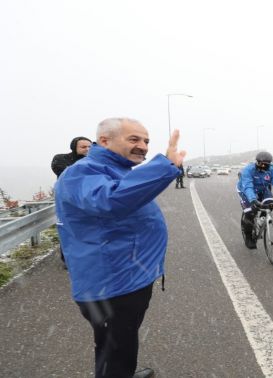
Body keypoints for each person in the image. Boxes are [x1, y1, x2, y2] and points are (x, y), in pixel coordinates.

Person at [55, 117, 186, 378]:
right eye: (134, 139)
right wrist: (165, 166)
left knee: (118, 345)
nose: (143, 146)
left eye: (146, 141)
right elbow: (111, 200)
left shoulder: (116, 170)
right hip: (112, 283)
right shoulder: (82, 172)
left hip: (125, 277)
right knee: (115, 349)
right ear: (104, 141)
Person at [237, 151, 273, 249]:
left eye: (265, 165)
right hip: (245, 190)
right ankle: (249, 237)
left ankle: (261, 220)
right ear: (257, 162)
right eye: (260, 164)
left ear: (269, 164)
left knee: (270, 204)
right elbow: (248, 186)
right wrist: (253, 200)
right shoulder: (248, 170)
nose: (262, 167)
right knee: (250, 213)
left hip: (262, 189)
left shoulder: (271, 170)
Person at [51, 136, 92, 268]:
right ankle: (68, 260)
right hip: (67, 202)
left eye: (90, 146)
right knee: (68, 231)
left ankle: (87, 258)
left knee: (88, 230)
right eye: (83, 147)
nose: (87, 149)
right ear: (74, 148)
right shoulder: (61, 159)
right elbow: (69, 174)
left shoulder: (94, 161)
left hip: (86, 200)